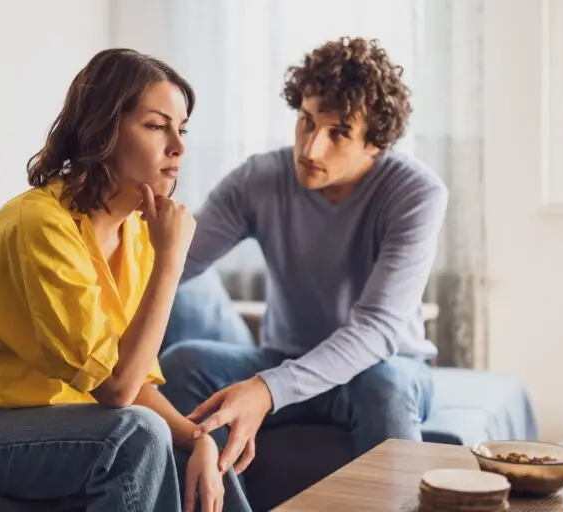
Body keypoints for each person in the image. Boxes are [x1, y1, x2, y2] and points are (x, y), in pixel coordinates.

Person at [0, 48, 250, 512]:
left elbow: (135, 384)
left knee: (203, 454)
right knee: (135, 435)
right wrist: (171, 260)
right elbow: (117, 392)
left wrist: (199, 440)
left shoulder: (136, 232)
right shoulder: (40, 224)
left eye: (182, 129)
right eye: (157, 126)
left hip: (42, 418)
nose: (177, 146)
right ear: (103, 129)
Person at [159, 36, 449, 481]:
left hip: (379, 368)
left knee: (384, 385)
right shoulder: (260, 179)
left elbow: (376, 330)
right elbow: (177, 262)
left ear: (375, 143)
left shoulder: (415, 193)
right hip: (282, 357)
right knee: (183, 363)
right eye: (307, 122)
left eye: (339, 133)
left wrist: (266, 390)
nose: (311, 149)